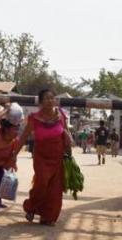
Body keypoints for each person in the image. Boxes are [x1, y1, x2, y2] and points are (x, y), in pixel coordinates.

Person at [18, 89, 72, 226]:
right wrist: (13, 155)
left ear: (55, 100)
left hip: (58, 157)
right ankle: (31, 207)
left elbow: (65, 133)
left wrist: (69, 153)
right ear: (41, 102)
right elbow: (23, 137)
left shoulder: (61, 115)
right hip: (41, 157)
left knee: (55, 189)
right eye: (46, 98)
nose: (49, 100)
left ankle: (48, 217)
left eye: (52, 98)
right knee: (41, 183)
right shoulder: (34, 118)